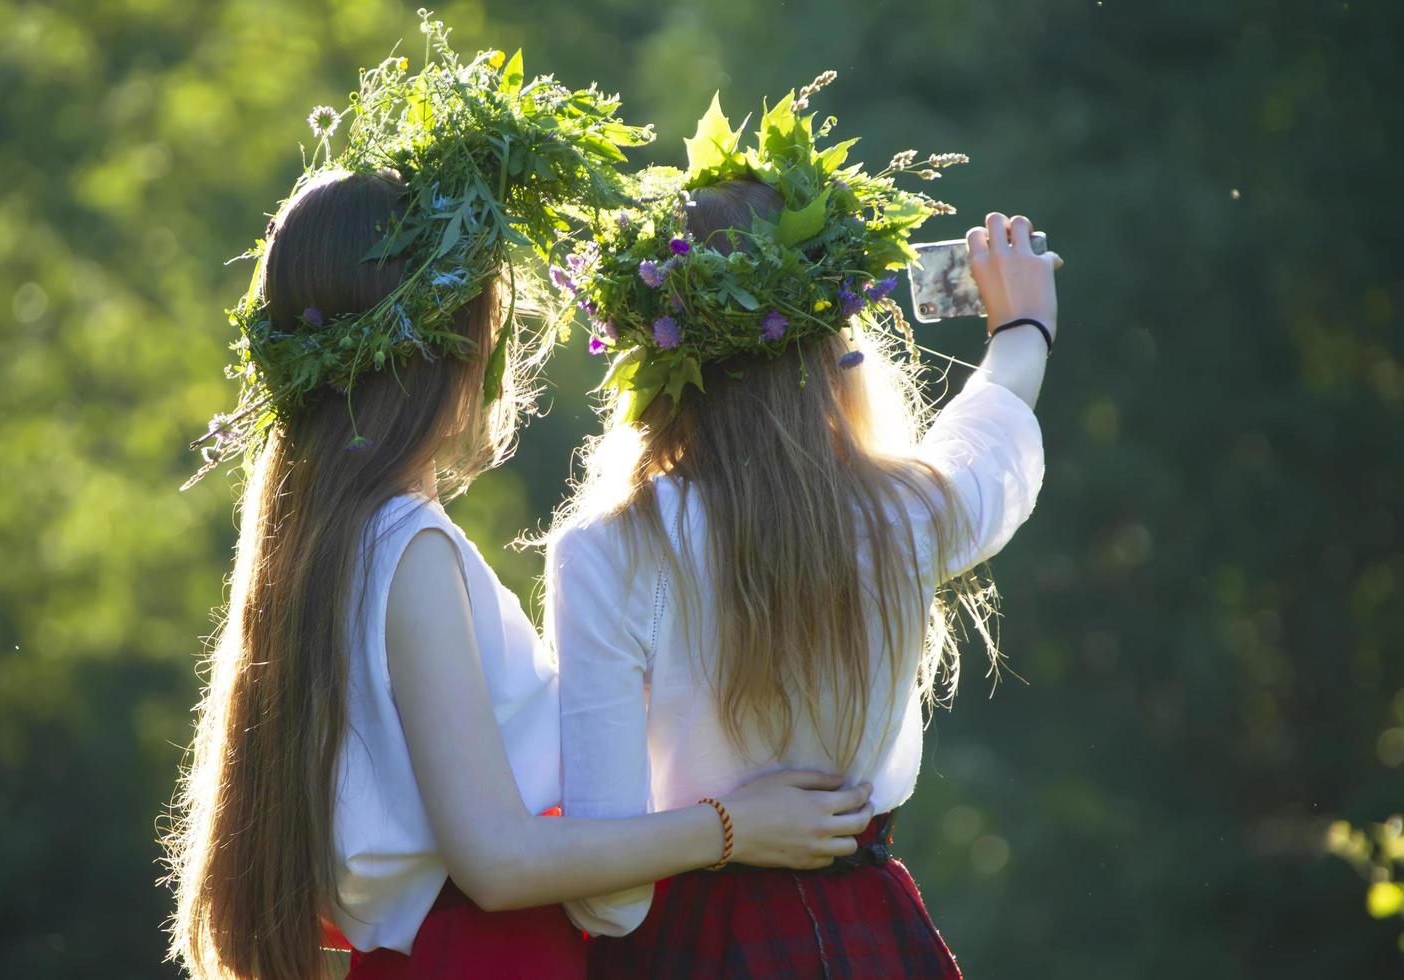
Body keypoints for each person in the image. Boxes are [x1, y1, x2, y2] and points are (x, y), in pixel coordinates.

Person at [162, 30, 871, 980]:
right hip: (491, 955)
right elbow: (496, 862)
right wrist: (734, 826)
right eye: (490, 333)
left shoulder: (334, 540)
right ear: (445, 352)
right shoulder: (406, 548)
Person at [547, 83, 1062, 977]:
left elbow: (609, 896)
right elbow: (990, 437)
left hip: (690, 945)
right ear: (832, 347)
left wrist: (721, 832)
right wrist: (1022, 324)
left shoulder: (605, 550)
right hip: (870, 929)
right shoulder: (903, 513)